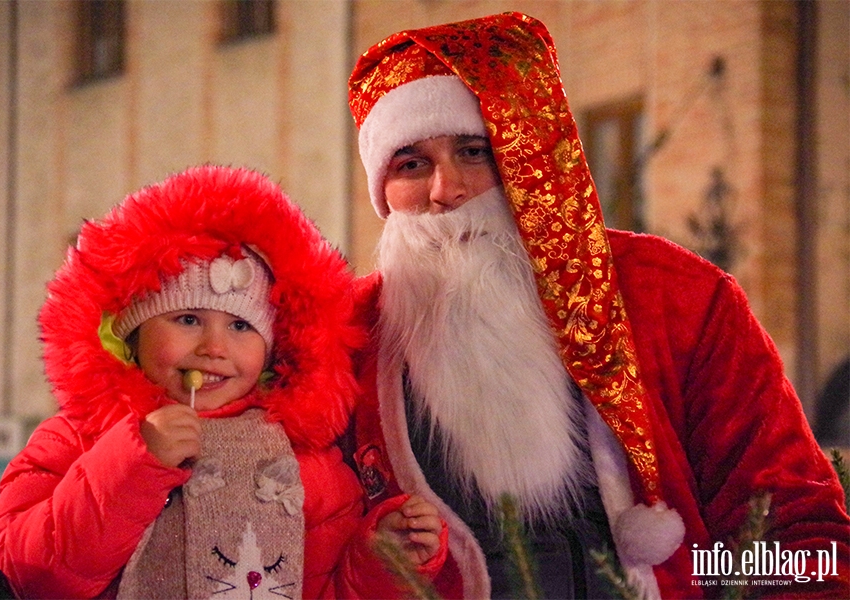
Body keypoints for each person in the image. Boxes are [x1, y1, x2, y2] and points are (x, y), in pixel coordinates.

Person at [340, 12, 850, 600]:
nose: (444, 190)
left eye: (475, 152)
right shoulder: (346, 338)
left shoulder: (676, 299)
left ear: (530, 157)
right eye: (411, 164)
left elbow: (792, 533)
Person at [0, 165, 367, 598]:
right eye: (187, 319)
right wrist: (133, 463)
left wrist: (378, 560)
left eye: (241, 328)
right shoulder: (76, 438)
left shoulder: (307, 465)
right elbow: (28, 571)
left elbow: (332, 589)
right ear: (130, 336)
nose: (214, 347)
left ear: (273, 349)